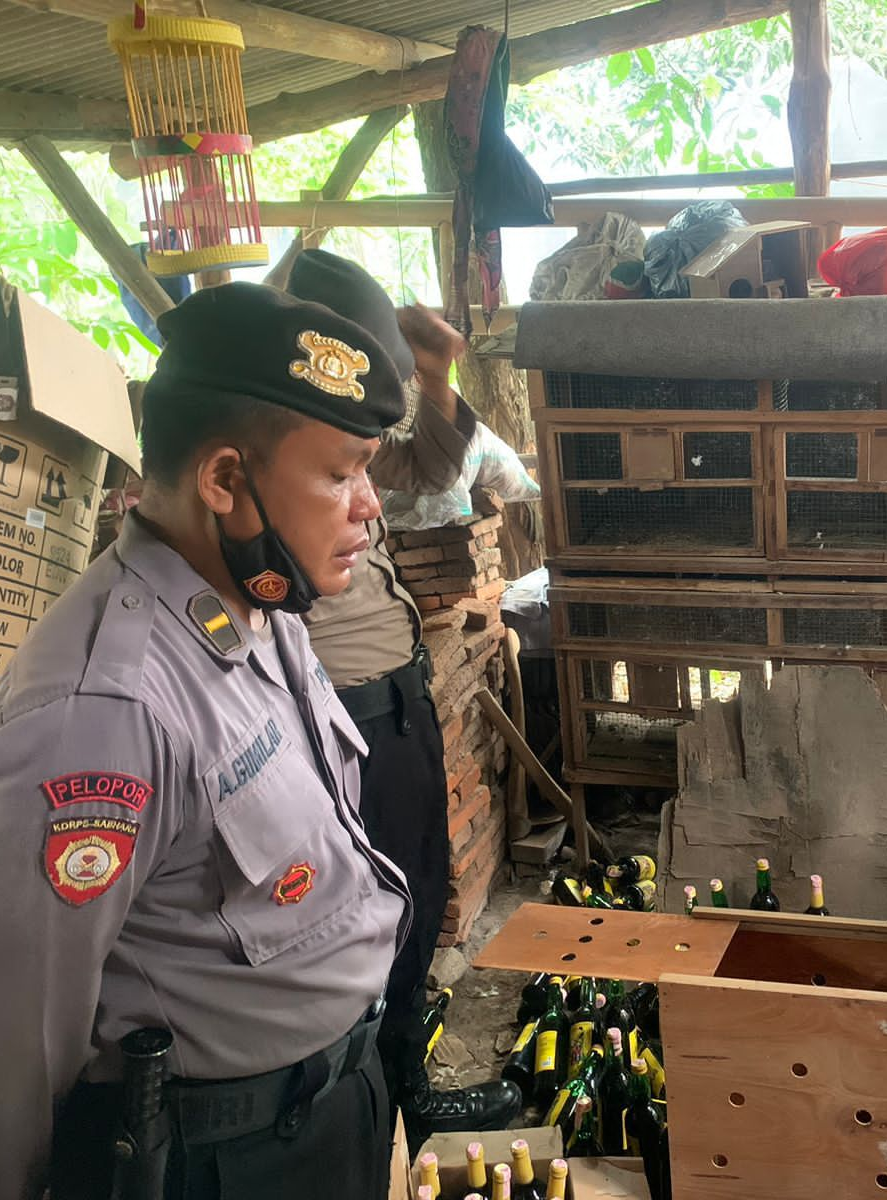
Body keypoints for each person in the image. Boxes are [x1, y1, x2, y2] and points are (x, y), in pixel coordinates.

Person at [0, 284, 415, 1200]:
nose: (369, 507)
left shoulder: (258, 599)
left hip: (329, 1110)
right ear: (226, 481)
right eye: (341, 473)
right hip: (224, 1160)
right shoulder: (105, 709)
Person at [283, 249, 521, 1142]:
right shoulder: (279, 433)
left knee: (418, 887)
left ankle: (404, 1089)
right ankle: (382, 1111)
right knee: (370, 910)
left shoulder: (339, 435)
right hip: (341, 707)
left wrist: (438, 369)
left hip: (398, 690)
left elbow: (426, 469)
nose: (366, 502)